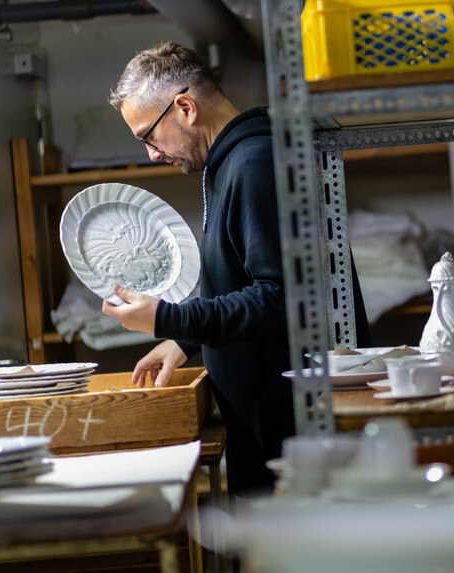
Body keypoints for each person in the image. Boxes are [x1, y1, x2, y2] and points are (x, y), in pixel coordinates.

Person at [103, 42, 371, 495]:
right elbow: (241, 279)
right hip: (271, 425)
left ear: (184, 107)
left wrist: (168, 317)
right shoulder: (230, 163)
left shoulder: (255, 163)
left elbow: (284, 298)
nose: (151, 153)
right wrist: (184, 339)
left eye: (148, 135)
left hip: (294, 432)